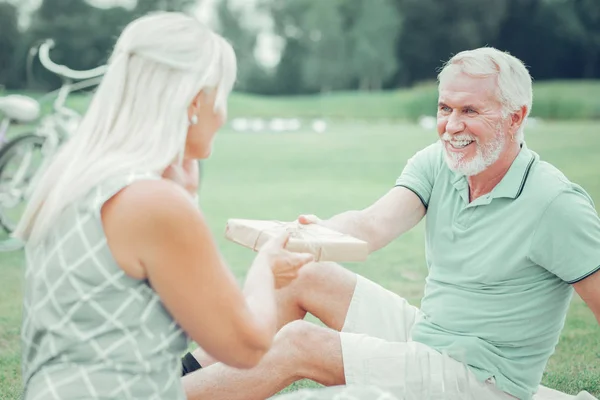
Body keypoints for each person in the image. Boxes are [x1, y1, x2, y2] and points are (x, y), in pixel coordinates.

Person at [179, 47, 600, 400]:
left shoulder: (555, 204)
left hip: (484, 381)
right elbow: (371, 225)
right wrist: (311, 232)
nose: (452, 126)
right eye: (445, 108)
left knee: (299, 344)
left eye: (470, 110)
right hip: (429, 337)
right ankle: (180, 374)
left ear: (515, 117)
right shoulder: (440, 163)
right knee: (301, 275)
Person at [15, 12, 313, 400]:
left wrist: (186, 197)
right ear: (194, 101)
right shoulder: (152, 203)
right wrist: (266, 270)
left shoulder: (72, 176)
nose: (223, 114)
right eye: (222, 96)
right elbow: (248, 346)